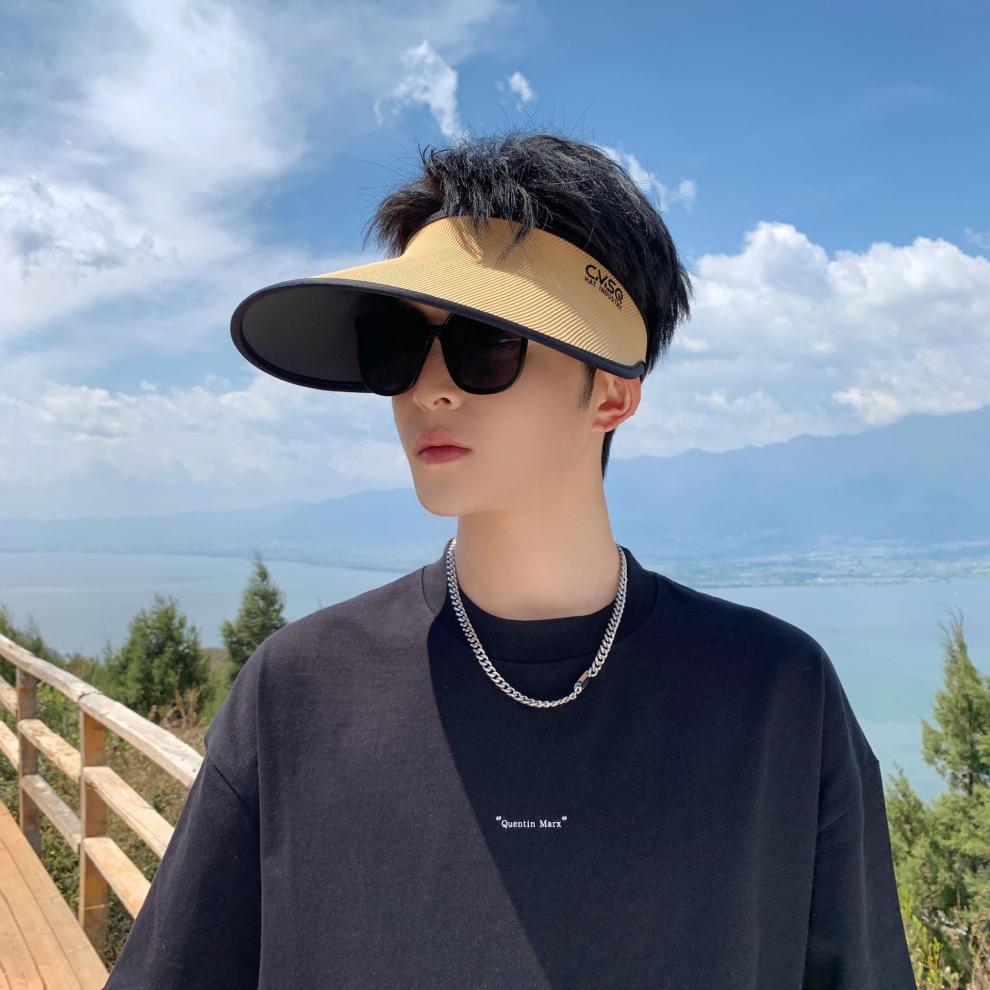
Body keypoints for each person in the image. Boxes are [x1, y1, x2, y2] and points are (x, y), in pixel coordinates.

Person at [103, 128, 916, 988]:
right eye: (396, 345)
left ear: (612, 391)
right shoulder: (299, 690)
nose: (428, 388)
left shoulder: (778, 698)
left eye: (485, 341)